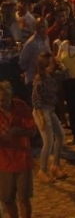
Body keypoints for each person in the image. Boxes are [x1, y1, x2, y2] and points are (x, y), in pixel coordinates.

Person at [0, 81, 36, 218]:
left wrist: (16, 131)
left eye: (3, 100)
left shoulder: (20, 107)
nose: (0, 104)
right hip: (4, 161)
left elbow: (32, 131)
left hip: (22, 160)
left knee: (24, 198)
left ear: (11, 97)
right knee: (7, 199)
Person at [31, 50, 67, 181]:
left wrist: (60, 63)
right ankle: (43, 169)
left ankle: (55, 165)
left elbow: (66, 74)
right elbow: (36, 100)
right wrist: (41, 118)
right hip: (42, 110)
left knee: (61, 135)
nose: (52, 66)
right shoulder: (39, 80)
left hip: (50, 109)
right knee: (48, 141)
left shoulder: (53, 76)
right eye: (50, 63)